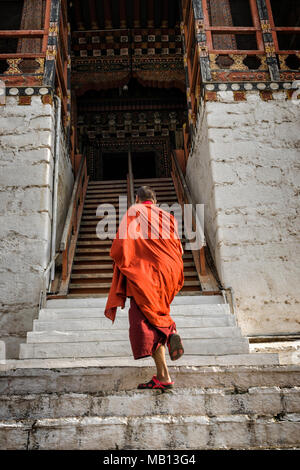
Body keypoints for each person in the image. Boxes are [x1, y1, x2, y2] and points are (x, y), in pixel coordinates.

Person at [105, 185, 184, 390]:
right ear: (155, 202)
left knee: (147, 320)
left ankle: (169, 333)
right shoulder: (169, 217)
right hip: (170, 271)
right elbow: (179, 248)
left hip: (145, 272)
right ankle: (163, 375)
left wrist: (123, 261)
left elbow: (120, 246)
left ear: (138, 199)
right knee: (157, 312)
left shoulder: (134, 211)